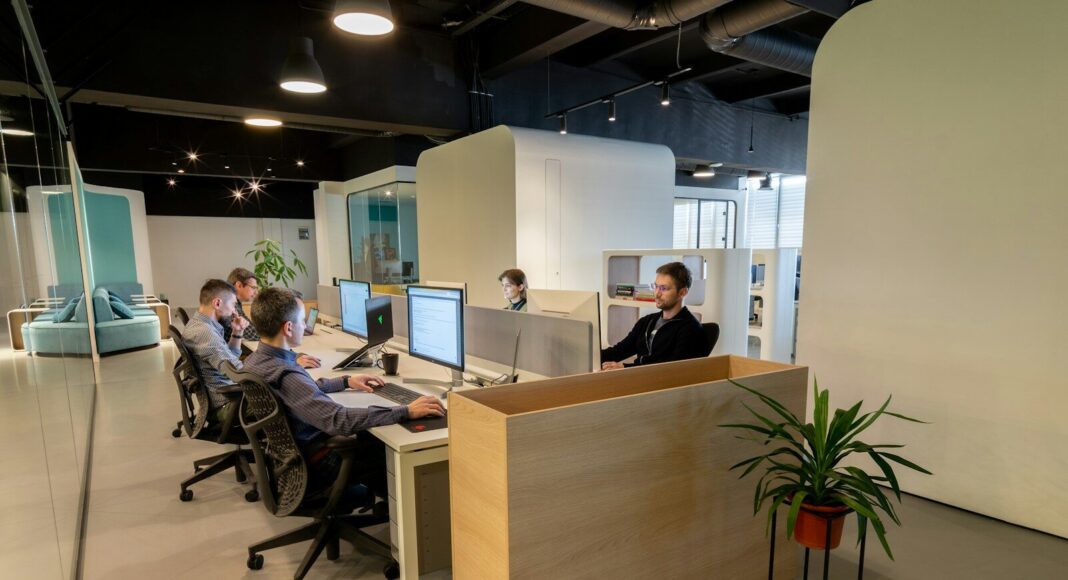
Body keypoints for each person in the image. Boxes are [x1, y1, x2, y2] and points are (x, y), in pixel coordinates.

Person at [243, 287, 445, 498]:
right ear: (288, 327)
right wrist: (406, 411)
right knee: (387, 444)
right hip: (320, 461)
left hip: (293, 455)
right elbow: (339, 420)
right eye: (302, 320)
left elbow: (302, 392)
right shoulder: (286, 374)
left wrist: (345, 381)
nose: (305, 326)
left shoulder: (256, 361)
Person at [600, 262, 711, 369]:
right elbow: (619, 351)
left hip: (657, 381)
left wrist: (626, 368)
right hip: (638, 377)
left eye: (663, 288)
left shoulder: (691, 329)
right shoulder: (646, 321)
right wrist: (592, 354)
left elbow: (671, 369)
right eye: (656, 286)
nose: (657, 294)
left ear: (682, 292)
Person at [182, 279, 249, 421]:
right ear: (217, 303)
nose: (234, 311)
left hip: (227, 396)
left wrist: (237, 332)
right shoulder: (205, 333)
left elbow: (229, 358)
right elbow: (236, 371)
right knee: (283, 399)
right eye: (233, 304)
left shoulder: (200, 324)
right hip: (226, 404)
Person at [224, 267, 261, 342]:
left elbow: (250, 325)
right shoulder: (229, 305)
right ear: (239, 285)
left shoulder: (236, 303)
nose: (256, 292)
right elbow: (251, 334)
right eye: (253, 287)